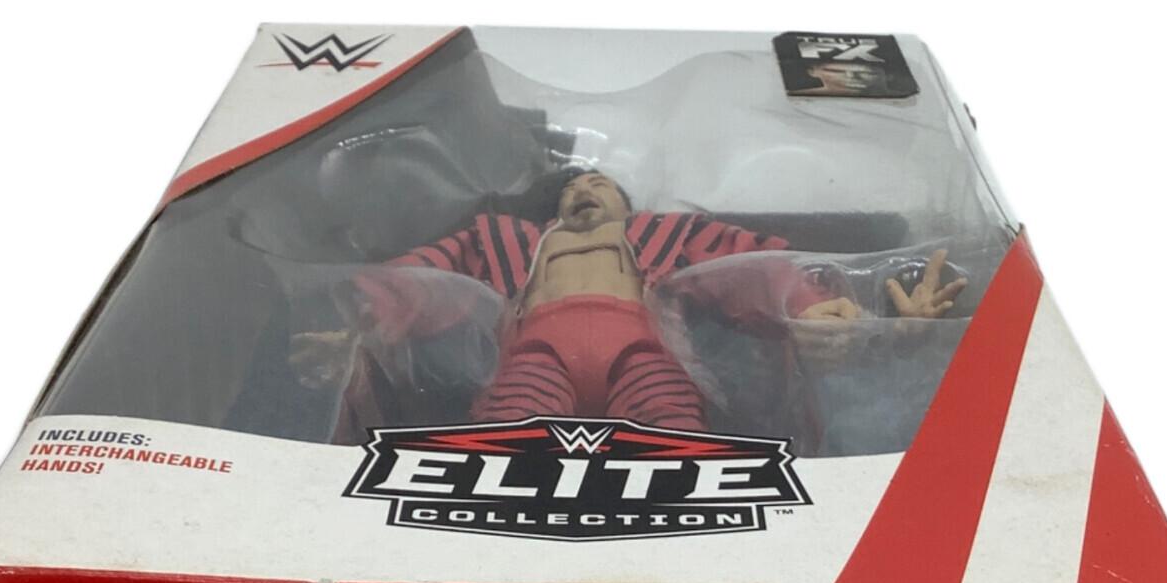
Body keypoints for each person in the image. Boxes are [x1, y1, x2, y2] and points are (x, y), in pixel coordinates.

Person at [288, 168, 965, 432]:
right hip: (535, 348)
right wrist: (361, 322)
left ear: (626, 203)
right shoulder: (509, 239)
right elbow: (429, 275)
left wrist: (809, 304)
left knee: (672, 437)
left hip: (643, 346)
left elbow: (746, 266)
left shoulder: (665, 235)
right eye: (572, 186)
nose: (584, 189)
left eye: (599, 183)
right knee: (508, 437)